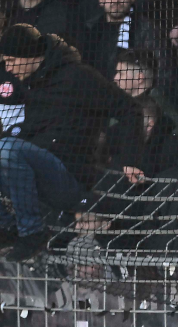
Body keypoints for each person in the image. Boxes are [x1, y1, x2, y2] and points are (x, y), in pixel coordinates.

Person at [0, 23, 145, 261]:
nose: (8, 67)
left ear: (29, 55)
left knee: (6, 148)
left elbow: (130, 108)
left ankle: (32, 233)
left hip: (69, 174)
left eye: (11, 60)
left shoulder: (78, 76)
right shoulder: (33, 82)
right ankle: (7, 229)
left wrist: (131, 160)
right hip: (38, 173)